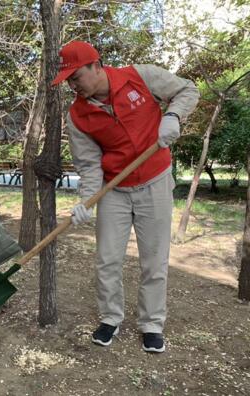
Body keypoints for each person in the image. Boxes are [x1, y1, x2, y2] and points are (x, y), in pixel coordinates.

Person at [52, 41, 199, 353]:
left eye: (75, 76)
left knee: (154, 259)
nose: (72, 84)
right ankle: (110, 318)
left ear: (95, 65)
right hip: (114, 190)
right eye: (67, 80)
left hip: (155, 180)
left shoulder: (140, 77)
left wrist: (173, 115)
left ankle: (152, 324)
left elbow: (188, 90)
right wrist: (86, 201)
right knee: (107, 259)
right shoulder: (77, 116)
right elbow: (89, 164)